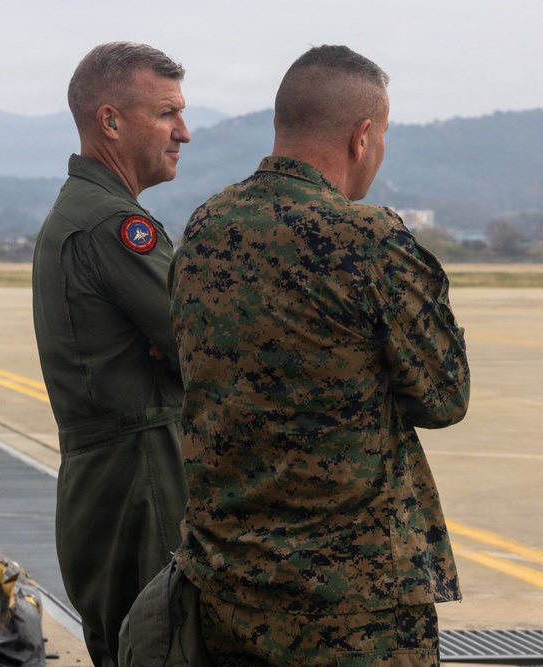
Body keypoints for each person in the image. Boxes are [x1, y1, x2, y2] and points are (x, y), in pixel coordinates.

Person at [155, 45, 470, 666]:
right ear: (363, 136)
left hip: (228, 587)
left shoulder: (206, 228)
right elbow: (445, 397)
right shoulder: (367, 239)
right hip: (354, 608)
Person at [31, 41, 191, 667]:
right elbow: (202, 344)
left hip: (114, 481)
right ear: (111, 121)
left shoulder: (88, 213)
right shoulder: (113, 226)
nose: (183, 132)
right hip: (142, 482)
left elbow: (175, 340)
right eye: (166, 114)